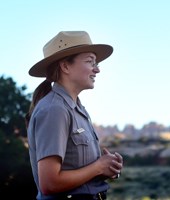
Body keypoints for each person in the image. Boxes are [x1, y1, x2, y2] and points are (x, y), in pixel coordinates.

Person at [25, 31, 123, 200]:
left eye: (96, 63)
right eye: (90, 61)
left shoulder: (77, 108)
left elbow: (78, 172)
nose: (97, 69)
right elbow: (49, 184)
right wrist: (98, 167)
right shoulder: (54, 110)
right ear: (65, 66)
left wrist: (108, 168)